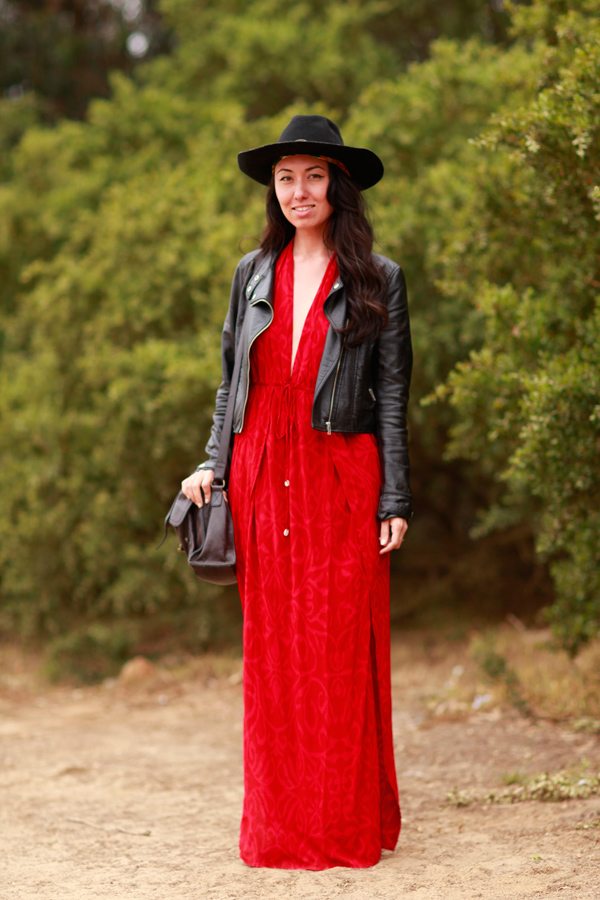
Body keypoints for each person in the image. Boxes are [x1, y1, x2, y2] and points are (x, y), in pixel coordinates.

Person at [182, 115, 413, 870]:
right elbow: (232, 382)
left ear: (338, 186)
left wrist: (395, 497)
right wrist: (213, 463)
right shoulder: (251, 273)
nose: (299, 190)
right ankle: (280, 828)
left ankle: (343, 826)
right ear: (273, 190)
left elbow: (390, 396)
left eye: (314, 175)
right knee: (274, 656)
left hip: (340, 470)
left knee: (338, 651)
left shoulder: (379, 277)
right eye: (287, 177)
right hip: (259, 471)